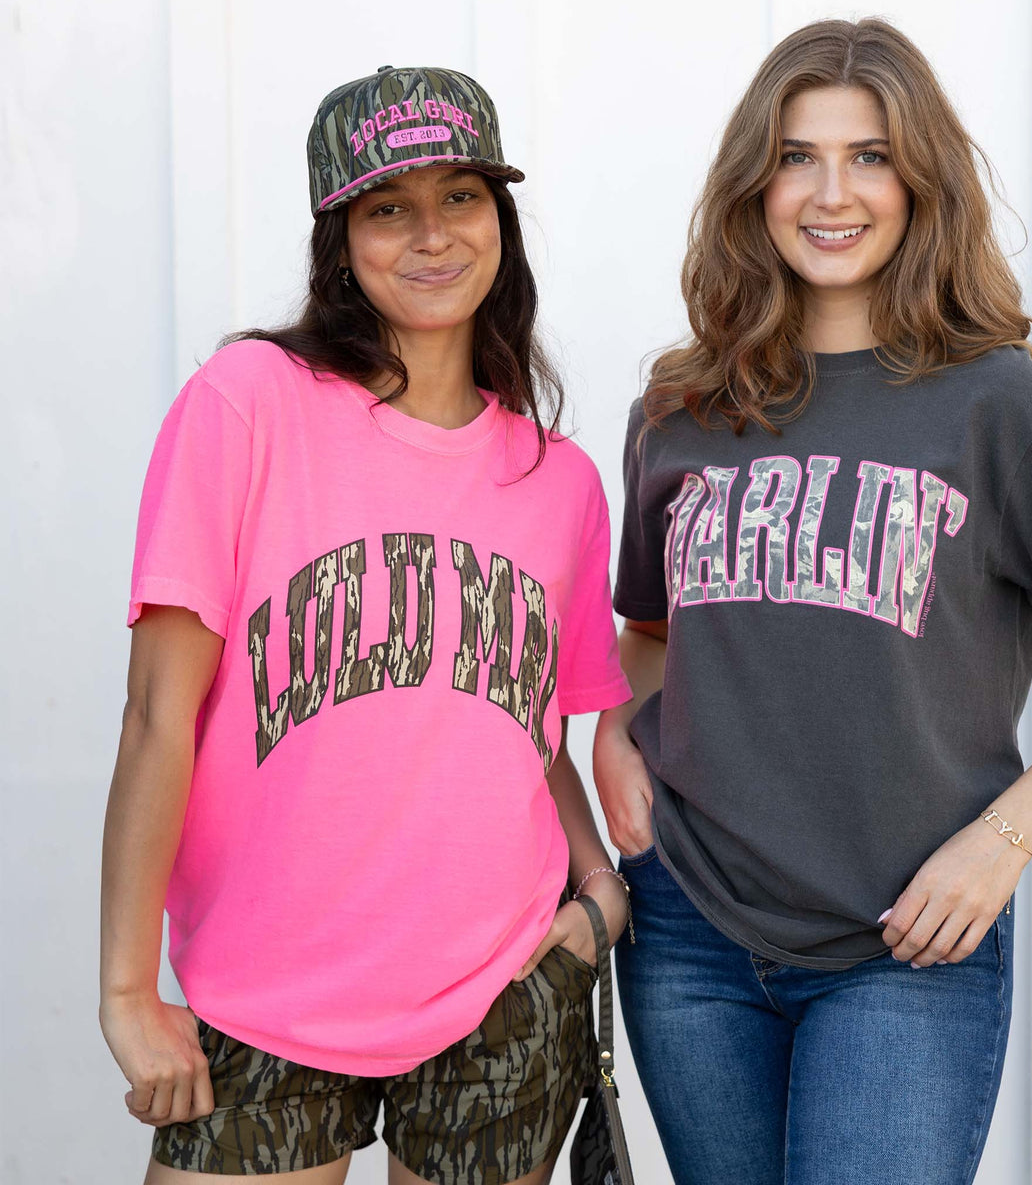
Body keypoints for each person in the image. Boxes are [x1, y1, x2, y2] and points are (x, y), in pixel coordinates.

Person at [593, 18, 1032, 1185]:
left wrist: (998, 846)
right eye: (798, 156)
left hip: (908, 944)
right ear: (754, 183)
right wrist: (619, 731)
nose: (831, 192)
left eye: (869, 156)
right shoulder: (682, 407)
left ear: (921, 182)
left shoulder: (1004, 407)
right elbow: (654, 637)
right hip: (691, 935)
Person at [100, 65, 633, 1184]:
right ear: (340, 241)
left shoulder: (561, 480)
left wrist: (599, 896)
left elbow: (531, 734)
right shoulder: (248, 403)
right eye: (389, 207)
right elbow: (159, 712)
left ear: (502, 220)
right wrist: (126, 988)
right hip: (262, 997)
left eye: (461, 198)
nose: (431, 236)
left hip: (500, 993)